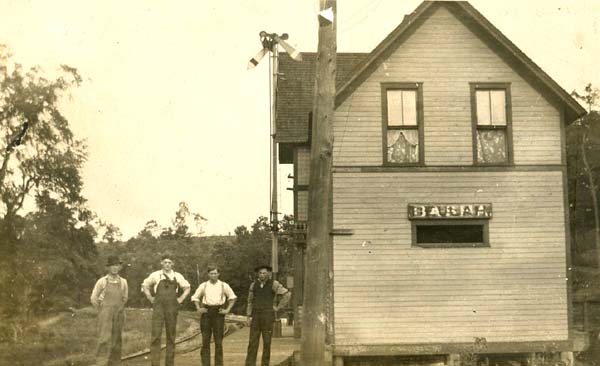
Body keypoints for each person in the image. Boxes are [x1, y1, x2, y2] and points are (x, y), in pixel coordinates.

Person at [142, 253, 191, 366]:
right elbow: (145, 285)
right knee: (156, 336)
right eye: (165, 262)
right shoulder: (155, 275)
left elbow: (187, 287)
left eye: (169, 262)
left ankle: (169, 364)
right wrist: (150, 297)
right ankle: (155, 364)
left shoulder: (177, 276)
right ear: (161, 263)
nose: (167, 264)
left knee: (171, 336)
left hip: (172, 308)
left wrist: (180, 299)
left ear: (172, 264)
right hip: (158, 307)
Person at [191, 265, 237, 366]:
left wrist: (227, 310)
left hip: (218, 313)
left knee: (218, 342)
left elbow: (232, 298)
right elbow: (195, 298)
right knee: (205, 341)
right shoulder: (204, 285)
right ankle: (205, 364)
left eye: (215, 273)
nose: (213, 275)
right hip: (206, 313)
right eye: (211, 273)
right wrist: (199, 308)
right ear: (208, 274)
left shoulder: (223, 285)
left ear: (218, 274)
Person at [245, 265, 291, 366]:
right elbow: (250, 301)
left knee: (267, 342)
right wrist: (248, 316)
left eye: (264, 273)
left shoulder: (274, 284)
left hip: (267, 316)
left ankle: (265, 364)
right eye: (260, 273)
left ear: (269, 274)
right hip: (256, 316)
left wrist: (278, 307)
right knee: (252, 342)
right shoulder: (253, 285)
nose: (262, 275)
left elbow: (287, 294)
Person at [90, 255, 129, 366]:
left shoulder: (123, 282)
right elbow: (93, 298)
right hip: (105, 313)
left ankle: (115, 363)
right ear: (108, 267)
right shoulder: (102, 281)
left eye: (117, 265)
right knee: (104, 339)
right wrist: (101, 310)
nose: (115, 268)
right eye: (112, 266)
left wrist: (119, 309)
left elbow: (125, 298)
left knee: (117, 339)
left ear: (120, 267)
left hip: (119, 313)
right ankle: (101, 363)